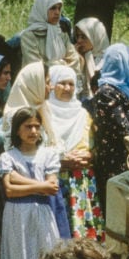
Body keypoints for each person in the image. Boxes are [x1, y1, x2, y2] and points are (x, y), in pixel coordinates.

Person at [0, 107, 62, 259]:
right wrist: (42, 186)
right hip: (17, 214)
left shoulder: (48, 155)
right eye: (28, 126)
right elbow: (10, 191)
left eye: (37, 126)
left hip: (42, 212)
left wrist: (19, 178)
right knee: (19, 255)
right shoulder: (8, 157)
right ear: (17, 130)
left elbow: (52, 188)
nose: (33, 131)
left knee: (45, 254)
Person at [47, 65, 103, 240]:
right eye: (61, 83)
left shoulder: (83, 114)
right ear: (52, 85)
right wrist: (61, 161)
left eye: (71, 84)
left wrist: (91, 155)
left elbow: (96, 146)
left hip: (82, 181)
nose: (67, 88)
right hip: (56, 179)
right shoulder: (44, 113)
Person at [92, 44, 129, 205]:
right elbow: (123, 127)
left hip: (125, 158)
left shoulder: (123, 90)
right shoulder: (106, 92)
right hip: (114, 161)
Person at [19, 0, 81, 75]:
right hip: (37, 83)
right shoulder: (29, 36)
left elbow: (75, 60)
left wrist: (54, 66)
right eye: (53, 8)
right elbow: (36, 66)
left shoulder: (62, 35)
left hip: (64, 82)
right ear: (42, 9)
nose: (57, 12)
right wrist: (63, 64)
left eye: (59, 8)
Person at [73, 17, 109, 101]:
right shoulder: (79, 56)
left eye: (83, 37)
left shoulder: (107, 61)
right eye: (77, 36)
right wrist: (75, 61)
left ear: (95, 36)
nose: (79, 40)